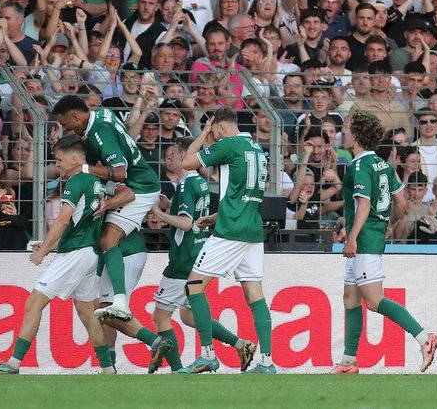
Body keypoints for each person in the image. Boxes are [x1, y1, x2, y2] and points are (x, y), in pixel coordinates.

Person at [0, 136, 113, 375]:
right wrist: (49, 245)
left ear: (74, 159)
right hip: (89, 253)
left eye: (59, 160)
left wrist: (42, 251)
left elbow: (63, 220)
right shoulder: (95, 182)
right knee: (85, 312)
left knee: (33, 303)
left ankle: (13, 363)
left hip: (74, 254)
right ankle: (107, 367)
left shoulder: (76, 182)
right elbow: (77, 225)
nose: (58, 165)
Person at [332, 110, 437, 375]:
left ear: (355, 135)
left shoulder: (359, 166)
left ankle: (424, 337)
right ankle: (348, 360)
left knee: (373, 300)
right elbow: (402, 203)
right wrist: (387, 223)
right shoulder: (383, 165)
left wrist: (352, 238)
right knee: (350, 298)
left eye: (346, 129)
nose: (343, 133)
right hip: (373, 235)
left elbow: (365, 204)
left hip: (364, 241)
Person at [148, 137, 256, 373]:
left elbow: (186, 224)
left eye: (171, 156)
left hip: (182, 259)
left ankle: (176, 370)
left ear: (182, 156)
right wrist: (171, 204)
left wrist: (157, 212)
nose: (167, 160)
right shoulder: (200, 182)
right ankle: (240, 344)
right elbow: (193, 215)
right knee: (188, 315)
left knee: (160, 317)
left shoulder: (187, 184)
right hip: (196, 254)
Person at [178, 108, 274, 374]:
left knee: (194, 287)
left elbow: (186, 163)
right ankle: (267, 362)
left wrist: (204, 134)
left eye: (214, 130)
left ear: (220, 127)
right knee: (255, 295)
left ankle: (207, 355)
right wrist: (218, 214)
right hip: (252, 229)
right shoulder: (255, 148)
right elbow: (244, 191)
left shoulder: (228, 144)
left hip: (231, 231)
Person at [52, 95, 162, 321]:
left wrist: (84, 167)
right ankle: (110, 292)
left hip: (141, 187)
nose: (66, 129)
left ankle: (120, 301)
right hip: (135, 184)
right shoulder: (101, 115)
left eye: (65, 124)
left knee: (107, 240)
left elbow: (121, 173)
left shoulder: (99, 131)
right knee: (103, 235)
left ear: (76, 116)